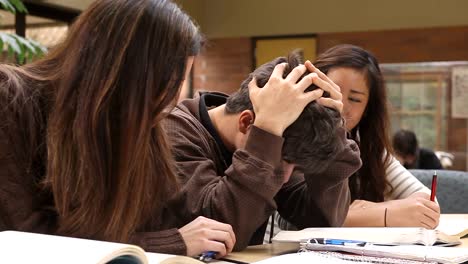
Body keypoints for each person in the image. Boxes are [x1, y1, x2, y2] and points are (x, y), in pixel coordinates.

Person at [0, 0, 236, 257]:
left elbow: (151, 224)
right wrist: (174, 242)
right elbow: (23, 239)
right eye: (166, 84)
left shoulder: (131, 124)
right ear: (124, 71)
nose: (173, 100)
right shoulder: (10, 101)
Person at [163, 51, 362, 250]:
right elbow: (218, 234)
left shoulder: (283, 138)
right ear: (247, 122)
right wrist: (266, 132)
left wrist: (333, 129)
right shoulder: (173, 132)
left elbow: (322, 222)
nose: (285, 177)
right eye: (283, 160)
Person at [278, 44, 440, 230]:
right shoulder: (291, 143)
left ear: (367, 110)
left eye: (354, 99)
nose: (341, 105)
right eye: (331, 91)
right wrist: (385, 214)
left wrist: (364, 211)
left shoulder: (368, 149)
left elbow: (429, 205)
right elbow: (293, 222)